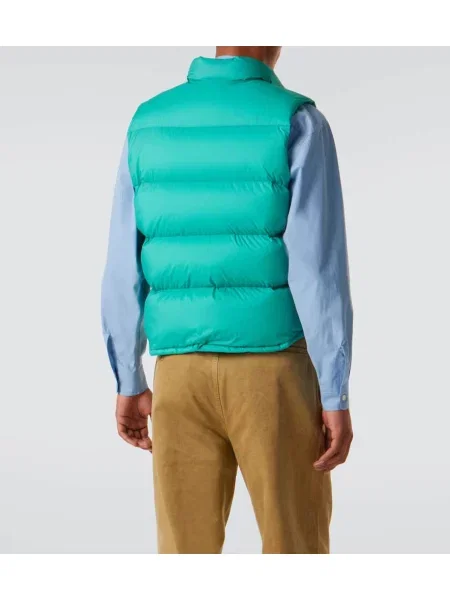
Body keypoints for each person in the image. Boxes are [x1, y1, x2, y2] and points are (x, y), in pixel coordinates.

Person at [101, 46, 353, 554]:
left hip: (178, 374)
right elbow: (317, 271)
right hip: (273, 373)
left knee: (184, 556)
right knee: (295, 551)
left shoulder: (148, 123)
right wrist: (335, 392)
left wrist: (128, 378)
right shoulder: (298, 121)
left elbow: (123, 265)